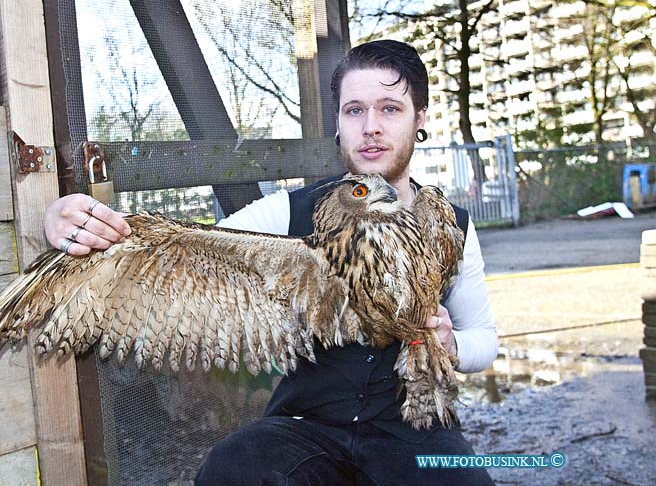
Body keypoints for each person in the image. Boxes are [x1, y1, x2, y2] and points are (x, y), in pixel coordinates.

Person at [44, 40, 498, 485]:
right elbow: (180, 244)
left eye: (390, 109)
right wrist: (67, 220)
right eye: (355, 110)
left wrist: (451, 343)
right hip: (308, 427)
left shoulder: (452, 224)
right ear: (339, 123)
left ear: (419, 118)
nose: (371, 126)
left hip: (414, 428)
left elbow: (484, 341)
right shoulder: (289, 212)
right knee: (235, 467)